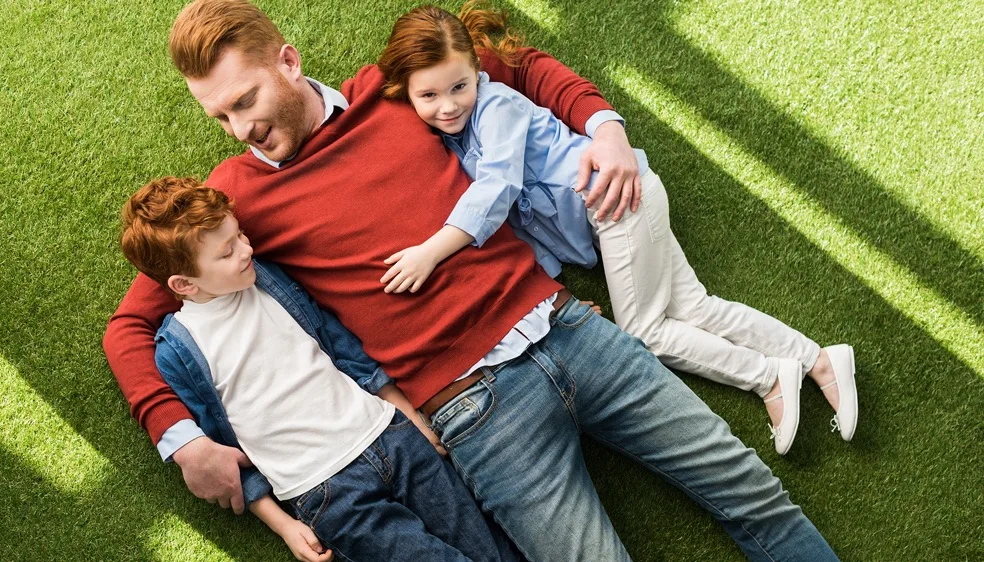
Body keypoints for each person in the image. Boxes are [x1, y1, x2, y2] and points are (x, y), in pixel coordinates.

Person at [104, 0, 840, 559]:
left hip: (572, 329)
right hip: (474, 413)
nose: (238, 129)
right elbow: (133, 324)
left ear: (289, 64)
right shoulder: (234, 200)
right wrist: (182, 440)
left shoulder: (392, 92)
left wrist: (608, 131)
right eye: (219, 116)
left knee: (754, 496)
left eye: (245, 102)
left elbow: (516, 67)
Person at [374, 4, 858, 455]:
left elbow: (497, 191)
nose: (448, 105)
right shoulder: (454, 143)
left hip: (617, 199)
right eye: (429, 95)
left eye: (459, 86)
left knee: (644, 332)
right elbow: (524, 231)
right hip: (619, 208)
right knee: (694, 307)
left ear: (477, 72)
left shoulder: (495, 107)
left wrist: (431, 251)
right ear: (406, 94)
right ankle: (818, 360)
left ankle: (769, 377)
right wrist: (546, 298)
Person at [120, 176, 518, 562]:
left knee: (492, 550)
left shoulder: (270, 281)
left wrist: (407, 415)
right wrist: (283, 524)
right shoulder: (178, 350)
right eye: (226, 253)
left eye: (239, 235)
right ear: (184, 284)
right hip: (325, 489)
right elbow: (225, 451)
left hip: (391, 436)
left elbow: (343, 349)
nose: (246, 250)